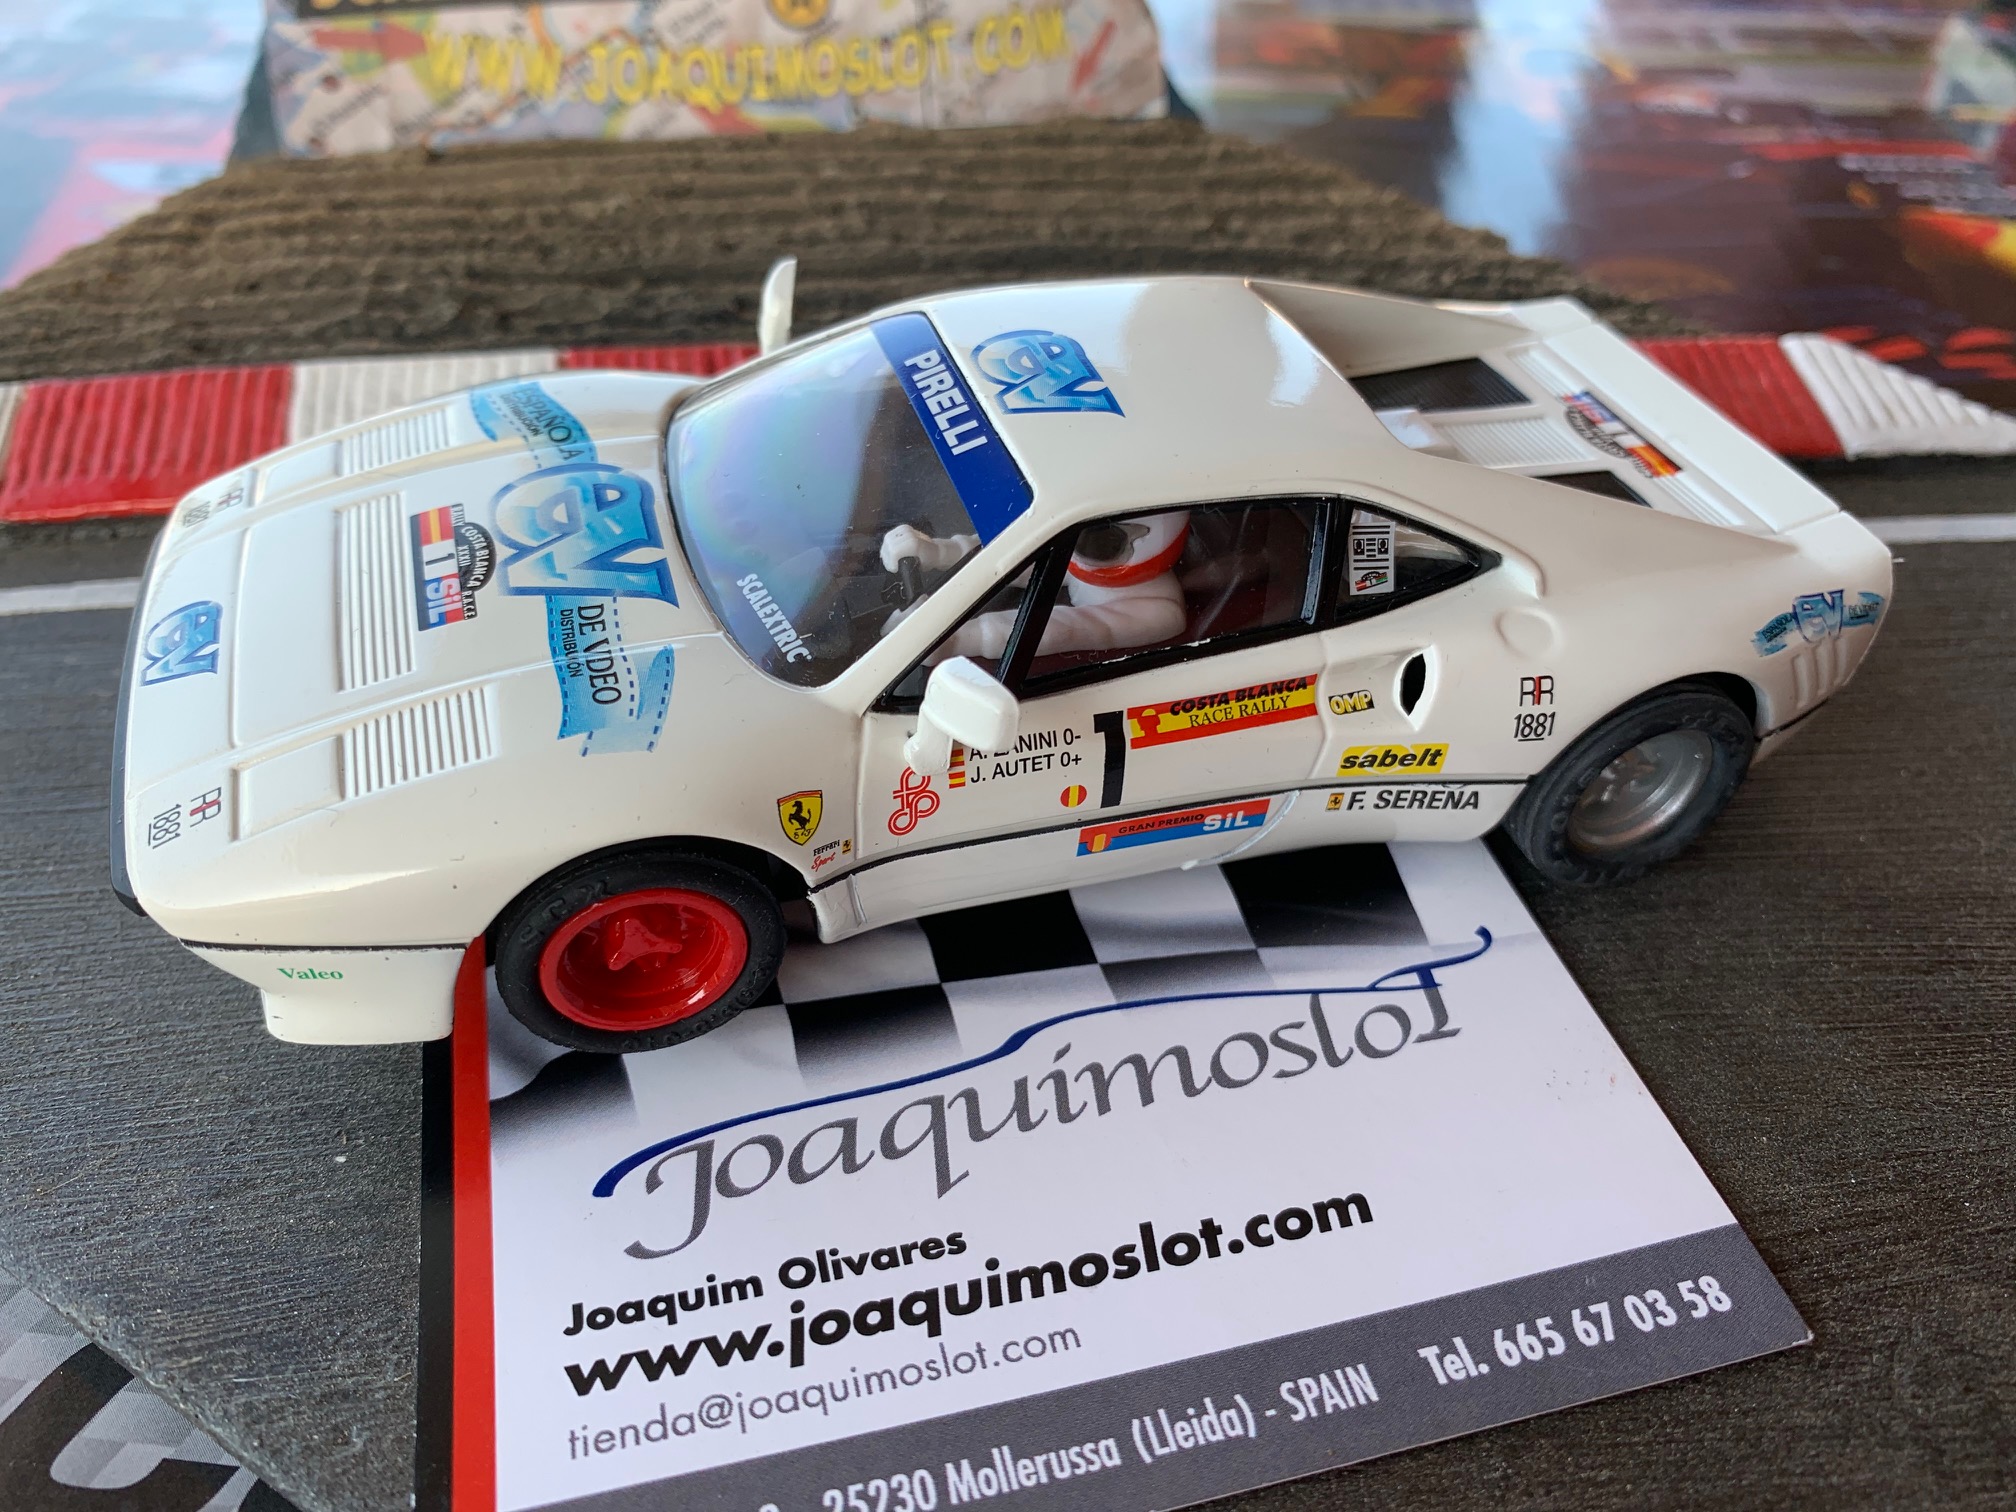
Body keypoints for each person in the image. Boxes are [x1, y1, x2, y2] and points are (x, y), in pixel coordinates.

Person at [880, 513, 1190, 662]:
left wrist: (956, 639)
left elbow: (1065, 629)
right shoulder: (1084, 549)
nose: (1075, 545)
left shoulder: (1158, 612)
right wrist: (939, 552)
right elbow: (1024, 556)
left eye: (1099, 537)